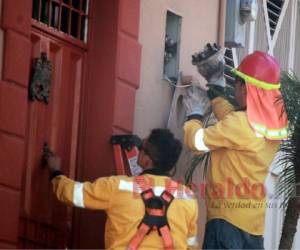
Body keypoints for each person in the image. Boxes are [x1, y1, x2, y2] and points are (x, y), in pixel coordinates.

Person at [183, 44, 287, 249]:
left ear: (245, 88)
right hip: (253, 226)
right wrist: (215, 87)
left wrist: (194, 114)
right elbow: (233, 119)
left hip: (226, 221)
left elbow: (196, 142)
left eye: (236, 83)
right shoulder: (272, 126)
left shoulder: (239, 124)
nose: (235, 88)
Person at [46, 128, 199, 250]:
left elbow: (74, 194)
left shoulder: (119, 187)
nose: (138, 150)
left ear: (147, 159)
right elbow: (191, 245)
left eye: (142, 148)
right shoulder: (188, 197)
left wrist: (56, 172)